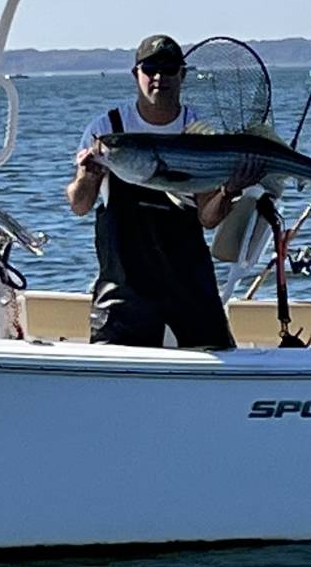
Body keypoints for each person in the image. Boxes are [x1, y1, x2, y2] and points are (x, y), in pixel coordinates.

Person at [67, 34, 242, 349]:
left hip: (187, 279)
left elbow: (208, 218)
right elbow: (79, 205)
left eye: (169, 68)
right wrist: (89, 177)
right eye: (150, 68)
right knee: (114, 367)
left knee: (217, 353)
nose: (159, 77)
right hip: (124, 287)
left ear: (182, 74)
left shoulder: (198, 129)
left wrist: (228, 192)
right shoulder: (107, 128)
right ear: (136, 74)